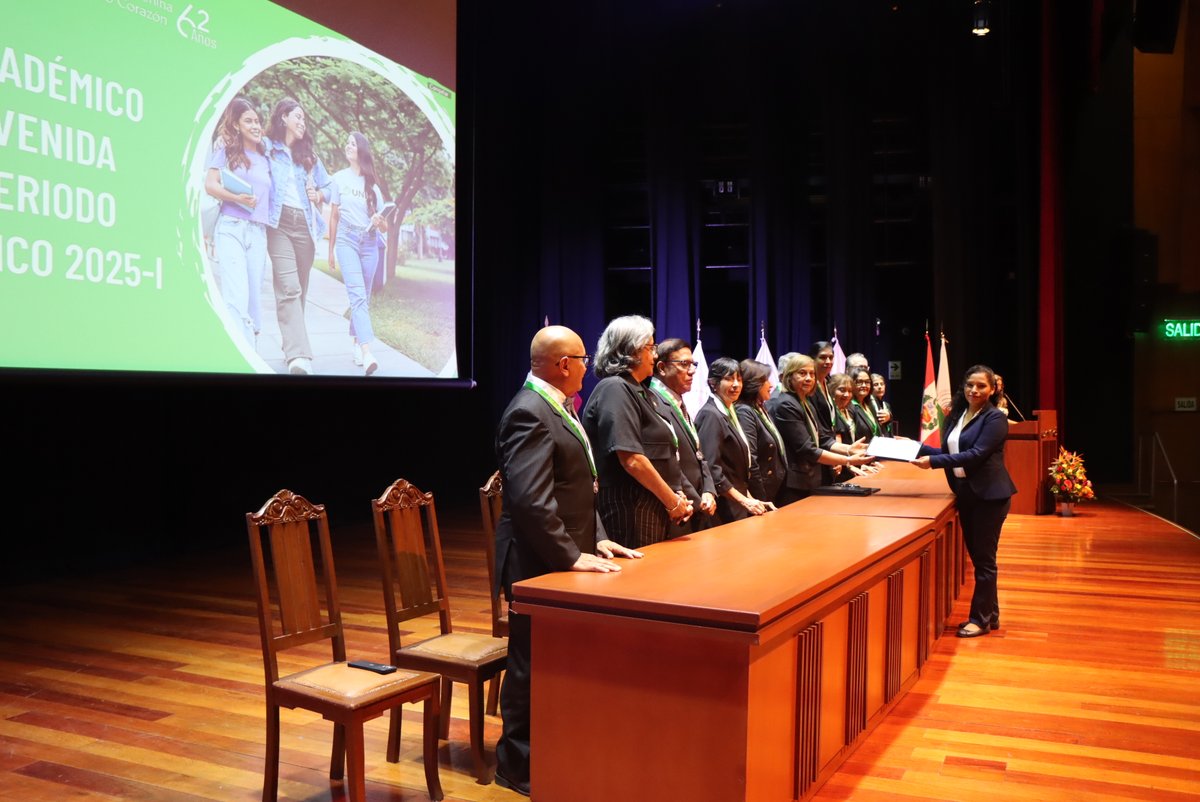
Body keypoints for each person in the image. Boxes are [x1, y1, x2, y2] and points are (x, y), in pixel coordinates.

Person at [493, 325, 643, 796]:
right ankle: (518, 768)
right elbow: (531, 501)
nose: (588, 367)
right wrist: (570, 554)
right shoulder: (529, 412)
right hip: (534, 562)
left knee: (561, 662)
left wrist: (596, 539)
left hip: (561, 554)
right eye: (583, 359)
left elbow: (578, 490)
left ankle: (561, 747)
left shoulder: (555, 406)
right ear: (562, 364)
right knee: (530, 663)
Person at [912, 364, 1017, 638]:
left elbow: (975, 454)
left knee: (984, 561)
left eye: (982, 386)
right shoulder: (959, 413)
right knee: (981, 559)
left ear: (992, 389)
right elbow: (951, 449)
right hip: (968, 495)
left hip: (989, 497)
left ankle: (980, 620)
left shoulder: (995, 419)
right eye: (970, 384)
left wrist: (933, 462)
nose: (974, 390)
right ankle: (990, 615)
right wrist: (911, 446)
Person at [581, 316, 693, 548]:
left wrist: (676, 494)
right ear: (630, 351)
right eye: (650, 347)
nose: (655, 355)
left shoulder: (642, 391)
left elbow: (663, 453)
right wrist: (672, 501)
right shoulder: (615, 388)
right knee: (638, 582)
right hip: (630, 507)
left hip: (652, 504)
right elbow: (632, 459)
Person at [264, 98, 332, 375]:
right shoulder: (268, 148)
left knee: (299, 290)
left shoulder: (310, 158)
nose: (302, 122)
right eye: (297, 116)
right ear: (283, 118)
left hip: (304, 226)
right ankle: (299, 356)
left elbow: (329, 188)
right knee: (289, 287)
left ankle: (291, 346)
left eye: (304, 119)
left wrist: (320, 195)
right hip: (278, 224)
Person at [204, 97, 272, 348]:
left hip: (258, 232)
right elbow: (210, 185)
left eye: (257, 121)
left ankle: (249, 349)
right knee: (236, 294)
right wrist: (236, 197)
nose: (255, 125)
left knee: (253, 297)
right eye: (248, 121)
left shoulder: (268, 160)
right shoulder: (226, 151)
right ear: (237, 125)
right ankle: (242, 358)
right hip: (231, 226)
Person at [767, 353, 873, 504]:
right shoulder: (786, 404)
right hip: (793, 484)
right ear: (789, 377)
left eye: (812, 374)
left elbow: (822, 438)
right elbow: (807, 449)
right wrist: (848, 460)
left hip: (810, 479)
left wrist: (848, 449)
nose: (809, 378)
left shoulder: (805, 401)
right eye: (802, 373)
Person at [328, 132, 389, 376]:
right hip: (346, 241)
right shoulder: (339, 179)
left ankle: (356, 342)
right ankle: (367, 352)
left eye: (352, 143)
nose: (347, 146)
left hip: (370, 243)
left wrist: (378, 220)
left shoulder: (372, 186)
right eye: (347, 142)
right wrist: (331, 249)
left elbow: (385, 226)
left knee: (363, 295)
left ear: (361, 150)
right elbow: (333, 216)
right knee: (357, 295)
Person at [695, 357, 774, 523]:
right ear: (713, 384)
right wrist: (744, 501)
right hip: (723, 508)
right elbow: (712, 469)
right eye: (729, 379)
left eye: (739, 379)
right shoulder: (711, 414)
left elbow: (736, 474)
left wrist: (753, 500)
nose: (736, 385)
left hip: (737, 505)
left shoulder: (729, 411)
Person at [651, 339, 718, 531]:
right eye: (684, 364)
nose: (692, 370)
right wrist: (697, 500)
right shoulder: (653, 402)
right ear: (662, 368)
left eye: (693, 364)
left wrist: (709, 491)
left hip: (699, 505)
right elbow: (668, 463)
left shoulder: (678, 401)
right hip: (680, 509)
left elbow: (699, 454)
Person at [736, 359, 786, 505]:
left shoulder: (759, 407)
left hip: (774, 488)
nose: (770, 385)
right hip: (762, 492)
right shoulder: (744, 411)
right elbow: (751, 458)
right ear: (754, 384)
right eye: (765, 381)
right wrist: (760, 498)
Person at [809, 340, 836, 430]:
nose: (828, 361)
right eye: (823, 357)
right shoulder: (809, 385)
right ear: (812, 359)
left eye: (831, 357)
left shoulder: (830, 383)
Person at [850, 368, 882, 442]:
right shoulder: (849, 406)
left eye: (867, 382)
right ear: (851, 383)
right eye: (859, 382)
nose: (864, 385)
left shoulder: (869, 404)